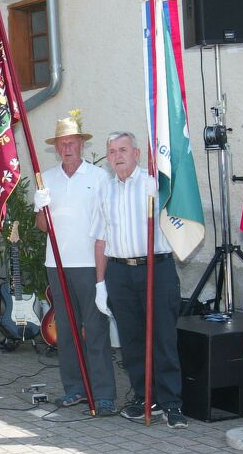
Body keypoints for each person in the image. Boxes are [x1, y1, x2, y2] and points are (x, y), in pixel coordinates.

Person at [89, 131, 188, 429]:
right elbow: (100, 239)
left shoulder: (154, 183)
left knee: (163, 338)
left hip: (155, 268)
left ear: (136, 153)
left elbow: (180, 219)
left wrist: (163, 197)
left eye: (123, 150)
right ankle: (145, 398)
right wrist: (100, 284)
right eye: (112, 151)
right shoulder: (105, 190)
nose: (117, 156)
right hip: (119, 272)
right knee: (131, 341)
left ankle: (171, 403)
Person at [33, 114, 116, 416]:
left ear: (81, 144)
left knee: (95, 328)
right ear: (56, 147)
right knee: (66, 331)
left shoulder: (99, 177)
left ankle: (103, 394)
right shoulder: (46, 178)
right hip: (56, 264)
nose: (67, 148)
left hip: (90, 263)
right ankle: (75, 389)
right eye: (62, 143)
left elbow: (107, 223)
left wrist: (103, 273)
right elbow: (42, 226)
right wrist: (40, 206)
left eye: (72, 142)